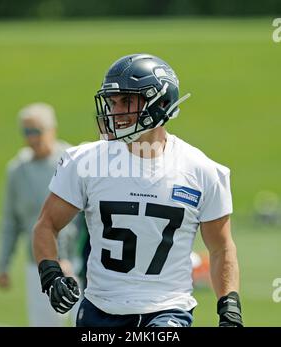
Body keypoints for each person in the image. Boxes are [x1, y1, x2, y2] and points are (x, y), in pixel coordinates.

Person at [33, 54, 243, 327]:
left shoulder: (202, 171)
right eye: (113, 101)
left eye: (127, 101)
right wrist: (51, 273)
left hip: (168, 309)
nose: (115, 110)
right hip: (100, 308)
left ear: (161, 102)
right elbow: (46, 225)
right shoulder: (85, 162)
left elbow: (221, 248)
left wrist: (229, 306)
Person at [0, 102, 83, 327]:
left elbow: (84, 217)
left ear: (52, 129)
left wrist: (65, 258)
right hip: (38, 266)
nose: (31, 138)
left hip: (77, 263)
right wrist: (3, 266)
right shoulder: (17, 170)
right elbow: (11, 222)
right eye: (26, 132)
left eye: (36, 131)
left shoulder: (72, 161)